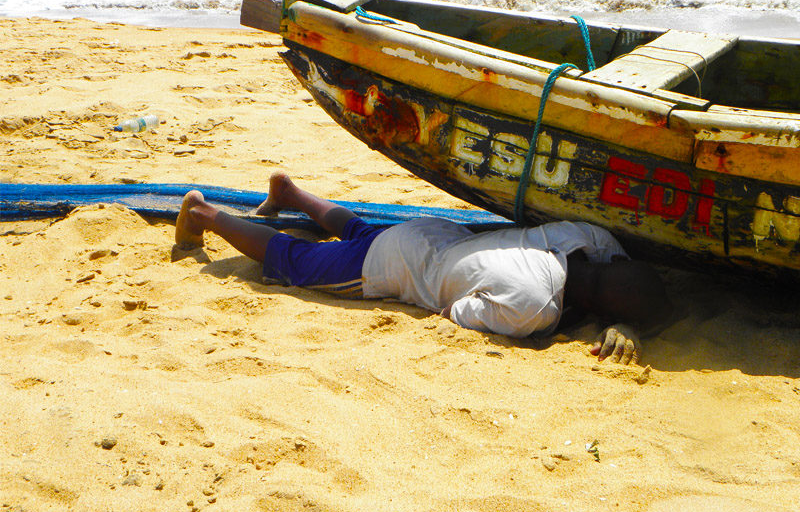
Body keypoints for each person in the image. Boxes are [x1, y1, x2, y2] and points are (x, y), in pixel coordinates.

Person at [175, 173, 672, 365]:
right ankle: (203, 214)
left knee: (364, 233)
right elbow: (456, 311)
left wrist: (615, 314)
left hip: (433, 233)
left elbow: (620, 266)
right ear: (593, 307)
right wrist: (578, 322)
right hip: (396, 265)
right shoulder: (535, 309)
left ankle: (291, 194)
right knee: (294, 261)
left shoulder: (587, 238)